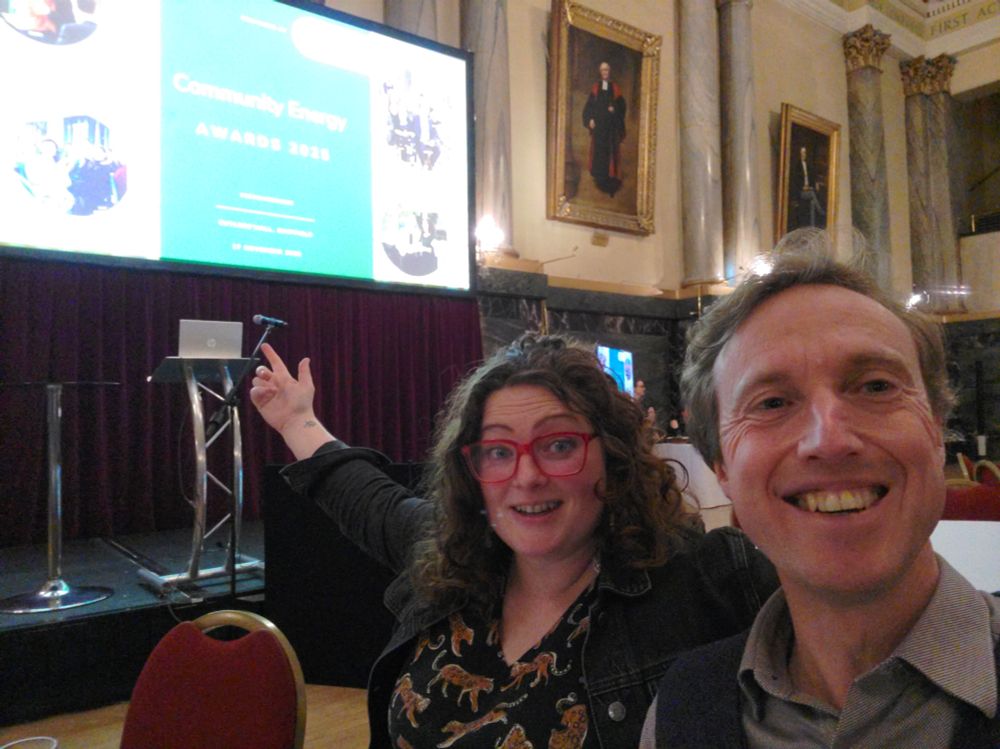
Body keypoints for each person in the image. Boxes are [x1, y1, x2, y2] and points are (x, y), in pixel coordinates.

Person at [251, 334, 778, 748]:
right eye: (499, 452)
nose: (526, 476)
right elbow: (366, 498)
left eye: (559, 444)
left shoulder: (702, 582)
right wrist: (298, 419)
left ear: (612, 457)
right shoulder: (451, 559)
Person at [641, 251, 1000, 747]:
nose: (828, 441)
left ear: (936, 427)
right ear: (721, 466)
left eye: (875, 386)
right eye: (772, 403)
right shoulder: (680, 712)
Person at [582, 61, 626, 197]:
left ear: (609, 71)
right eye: (603, 70)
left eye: (607, 70)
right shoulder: (595, 88)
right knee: (599, 152)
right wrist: (590, 119)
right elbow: (589, 106)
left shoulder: (615, 88)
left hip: (611, 127)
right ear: (600, 72)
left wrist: (615, 109)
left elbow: (622, 105)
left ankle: (610, 179)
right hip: (600, 127)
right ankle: (600, 178)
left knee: (610, 152)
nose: (605, 72)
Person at [791, 145, 826, 229]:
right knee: (812, 193)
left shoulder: (808, 165)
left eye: (805, 153)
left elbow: (812, 177)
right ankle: (821, 211)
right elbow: (796, 181)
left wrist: (815, 183)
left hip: (808, 189)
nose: (804, 154)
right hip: (801, 192)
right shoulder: (797, 166)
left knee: (812, 201)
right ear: (800, 154)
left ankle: (812, 225)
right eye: (802, 153)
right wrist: (803, 187)